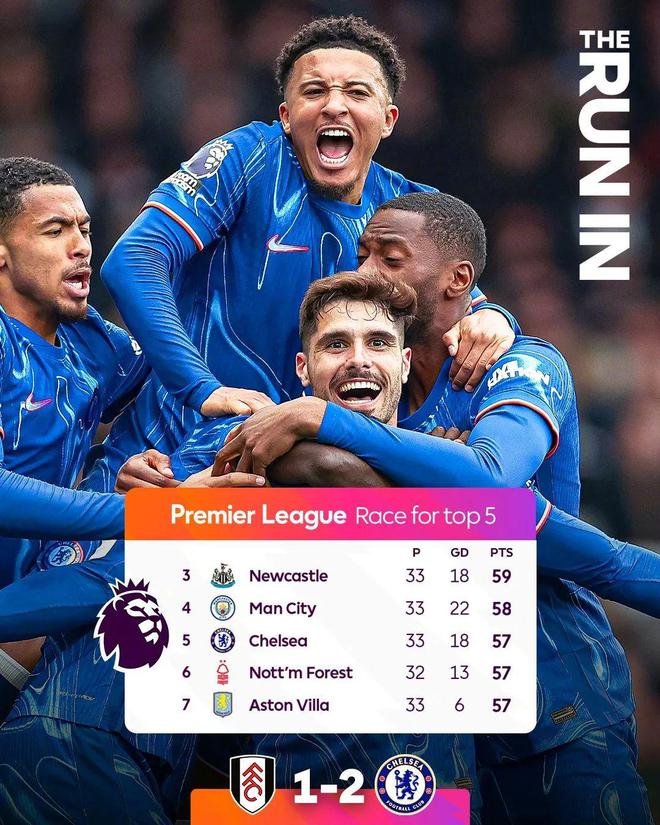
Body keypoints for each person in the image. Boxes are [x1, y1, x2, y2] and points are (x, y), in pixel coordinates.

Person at [2, 272, 658, 825]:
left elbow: (607, 561)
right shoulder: (240, 467)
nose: (357, 358)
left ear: (405, 363)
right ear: (303, 369)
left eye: (378, 342)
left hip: (435, 792)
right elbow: (116, 581)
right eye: (335, 343)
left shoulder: (453, 477)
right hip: (280, 795)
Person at [213, 194, 654, 825]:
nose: (366, 271)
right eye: (362, 254)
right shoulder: (371, 395)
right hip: (436, 722)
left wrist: (325, 420)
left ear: (457, 279)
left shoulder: (521, 364)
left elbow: (493, 481)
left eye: (389, 259)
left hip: (555, 693)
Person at [89, 14, 517, 493]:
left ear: (388, 119)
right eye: (314, 92)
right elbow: (133, 260)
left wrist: (495, 318)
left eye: (357, 93)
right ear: (287, 116)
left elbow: (458, 309)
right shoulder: (250, 158)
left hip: (302, 481)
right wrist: (201, 389)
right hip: (163, 462)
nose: (334, 105)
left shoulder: (407, 213)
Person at [0, 156, 146, 717]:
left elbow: (184, 379)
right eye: (55, 230)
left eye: (84, 229)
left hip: (34, 626)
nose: (81, 246)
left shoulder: (91, 343)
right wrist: (135, 513)